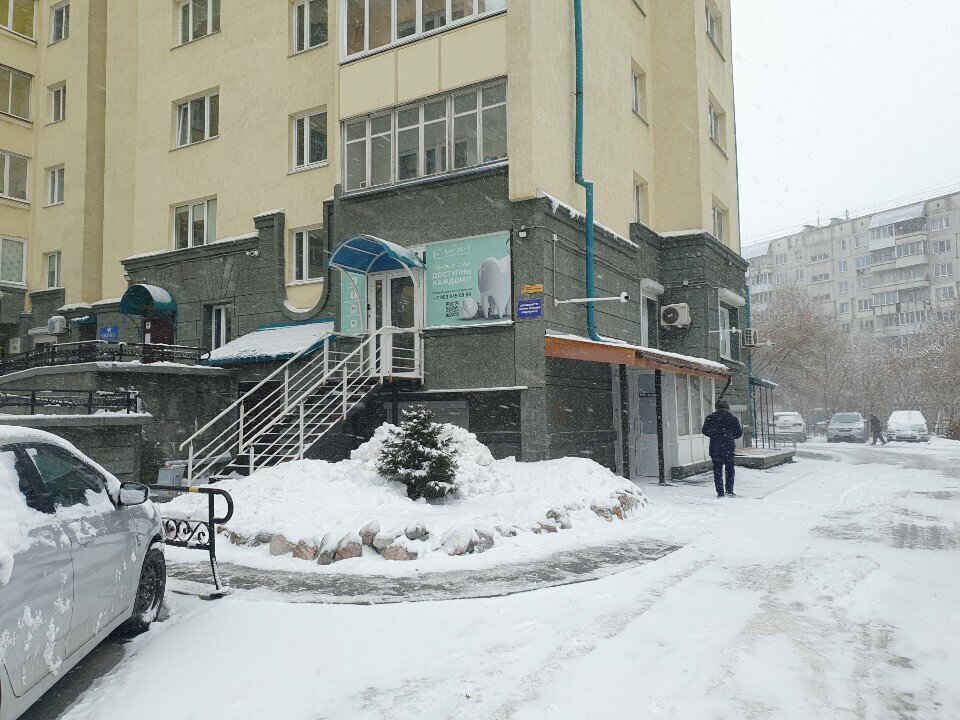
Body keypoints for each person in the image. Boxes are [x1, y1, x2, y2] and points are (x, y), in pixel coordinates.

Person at [701, 399, 743, 498]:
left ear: (717, 408)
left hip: (715, 448)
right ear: (727, 408)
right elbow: (738, 433)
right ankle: (729, 490)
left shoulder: (710, 418)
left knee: (717, 471)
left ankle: (720, 492)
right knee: (730, 470)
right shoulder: (732, 418)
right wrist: (729, 436)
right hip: (728, 447)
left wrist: (715, 435)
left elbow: (705, 431)